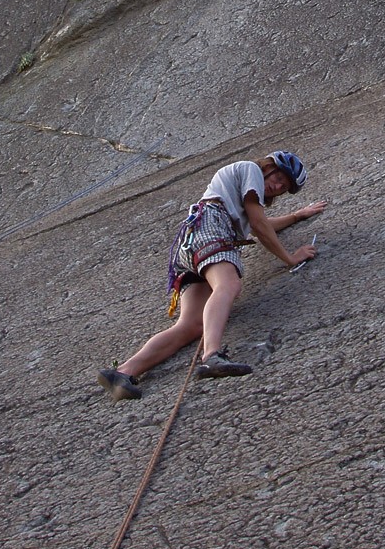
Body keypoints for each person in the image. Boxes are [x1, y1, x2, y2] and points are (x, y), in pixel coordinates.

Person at [98, 150, 326, 400]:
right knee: (228, 283)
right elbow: (260, 225)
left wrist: (296, 216)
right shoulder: (250, 169)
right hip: (212, 228)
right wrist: (291, 257)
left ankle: (123, 373)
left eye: (284, 187)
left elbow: (262, 223)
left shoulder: (236, 199)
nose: (278, 187)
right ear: (268, 167)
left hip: (191, 244)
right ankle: (211, 356)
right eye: (279, 178)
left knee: (192, 325)